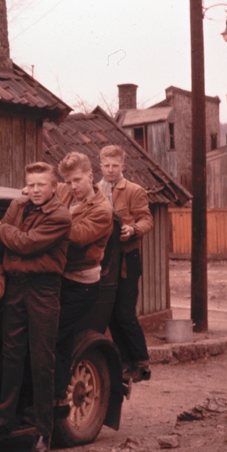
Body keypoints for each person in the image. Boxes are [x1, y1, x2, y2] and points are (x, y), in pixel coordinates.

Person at [0, 162, 71, 452]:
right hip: (15, 287)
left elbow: (24, 244)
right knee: (11, 355)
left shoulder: (60, 215)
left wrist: (0, 225)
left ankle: (42, 432)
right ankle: (3, 420)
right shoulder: (18, 205)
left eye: (41, 185)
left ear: (54, 187)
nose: (36, 190)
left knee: (41, 360)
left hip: (43, 290)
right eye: (31, 184)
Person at [53, 152, 113, 411]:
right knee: (58, 336)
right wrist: (31, 189)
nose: (72, 186)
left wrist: (46, 222)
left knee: (57, 334)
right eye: (67, 182)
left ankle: (58, 399)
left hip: (83, 285)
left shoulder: (102, 211)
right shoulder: (67, 192)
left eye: (77, 180)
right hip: (62, 278)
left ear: (91, 177)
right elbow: (48, 185)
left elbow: (77, 236)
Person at [99, 144, 154, 382]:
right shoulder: (95, 190)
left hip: (128, 259)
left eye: (115, 166)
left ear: (123, 166)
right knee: (110, 313)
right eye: (106, 165)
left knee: (125, 313)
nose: (111, 170)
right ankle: (123, 362)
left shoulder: (134, 190)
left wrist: (133, 229)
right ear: (100, 166)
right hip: (104, 259)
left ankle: (141, 363)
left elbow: (147, 220)